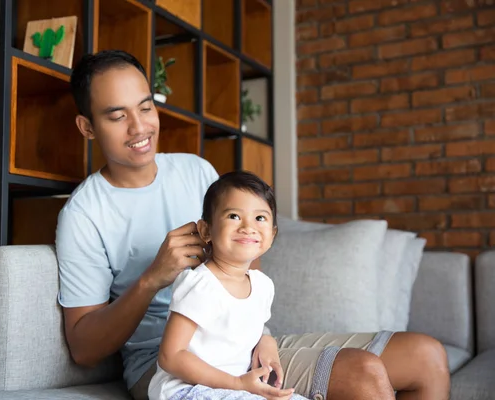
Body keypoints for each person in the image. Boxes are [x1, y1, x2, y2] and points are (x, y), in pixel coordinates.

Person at [56, 49, 450, 400]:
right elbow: (84, 348)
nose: (139, 127)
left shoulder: (196, 171)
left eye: (145, 107)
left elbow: (247, 261)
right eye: (116, 115)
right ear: (86, 127)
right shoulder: (83, 215)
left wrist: (262, 334)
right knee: (363, 375)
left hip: (243, 341)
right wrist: (151, 279)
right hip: (170, 368)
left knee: (426, 358)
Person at [147, 170, 307, 400]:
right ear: (206, 230)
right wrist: (237, 383)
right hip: (185, 389)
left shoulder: (262, 286)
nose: (248, 227)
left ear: (272, 235)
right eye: (234, 216)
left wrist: (267, 342)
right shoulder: (201, 284)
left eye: (260, 218)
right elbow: (171, 356)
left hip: (233, 388)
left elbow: (243, 327)